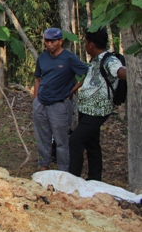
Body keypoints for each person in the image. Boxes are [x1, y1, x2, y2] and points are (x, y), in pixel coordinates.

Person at [68, 29, 127, 181]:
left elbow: (121, 72)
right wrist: (73, 90)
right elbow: (89, 77)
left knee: (75, 140)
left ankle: (73, 179)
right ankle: (95, 179)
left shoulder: (109, 61)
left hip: (97, 111)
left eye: (86, 42)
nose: (85, 45)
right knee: (92, 144)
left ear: (92, 44)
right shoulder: (95, 59)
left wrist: (132, 73)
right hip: (86, 109)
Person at [32, 27, 89, 172]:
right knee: (42, 137)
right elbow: (38, 79)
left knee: (61, 140)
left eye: (52, 41)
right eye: (47, 41)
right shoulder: (42, 58)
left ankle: (63, 170)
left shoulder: (69, 58)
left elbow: (87, 73)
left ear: (60, 41)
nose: (49, 44)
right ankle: (44, 166)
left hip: (60, 105)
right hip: (41, 103)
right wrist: (36, 99)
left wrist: (72, 91)